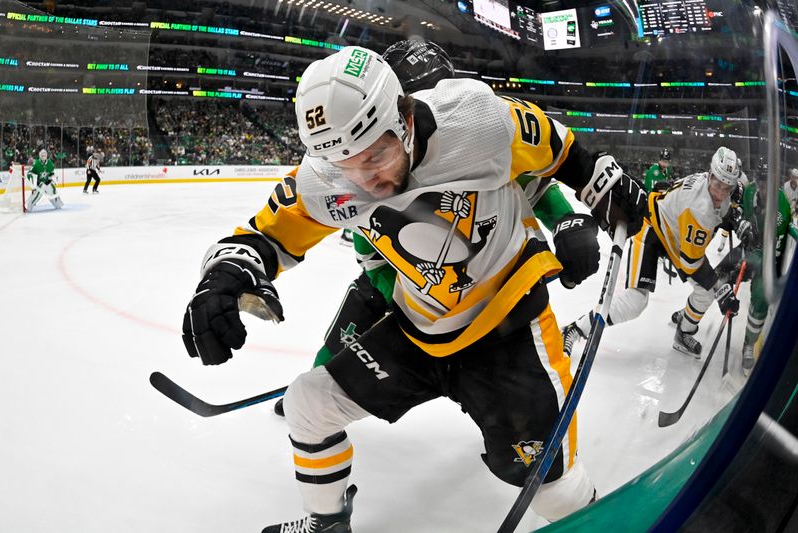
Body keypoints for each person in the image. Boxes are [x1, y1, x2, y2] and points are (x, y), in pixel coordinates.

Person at [181, 46, 646, 532]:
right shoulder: (325, 179)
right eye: (348, 167)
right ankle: (328, 524)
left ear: (404, 118)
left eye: (377, 155)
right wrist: (224, 277)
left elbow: (558, 148)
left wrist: (598, 181)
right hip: (418, 327)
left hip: (507, 330)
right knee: (308, 404)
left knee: (556, 490)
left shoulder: (479, 122)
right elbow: (265, 236)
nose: (368, 179)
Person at [272, 38, 600, 418]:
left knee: (503, 331)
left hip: (475, 280)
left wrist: (567, 223)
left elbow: (534, 180)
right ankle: (325, 379)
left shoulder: (468, 137)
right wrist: (381, 276)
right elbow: (359, 217)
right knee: (356, 314)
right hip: (406, 272)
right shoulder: (378, 154)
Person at [563, 147, 749, 358]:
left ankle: (684, 329)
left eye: (728, 187)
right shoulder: (700, 210)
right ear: (710, 174)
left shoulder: (707, 184)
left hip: (673, 232)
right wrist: (720, 288)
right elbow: (691, 263)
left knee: (704, 292)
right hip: (651, 229)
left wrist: (734, 215)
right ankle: (576, 329)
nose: (721, 193)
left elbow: (720, 206)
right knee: (636, 301)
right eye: (718, 184)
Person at [713, 179, 793, 375]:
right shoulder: (749, 192)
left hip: (767, 257)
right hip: (749, 246)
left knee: (760, 296)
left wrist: (754, 259)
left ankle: (749, 343)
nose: (765, 189)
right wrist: (740, 222)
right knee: (716, 275)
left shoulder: (782, 208)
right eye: (762, 183)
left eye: (769, 184)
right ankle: (690, 317)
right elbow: (736, 212)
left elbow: (776, 249)